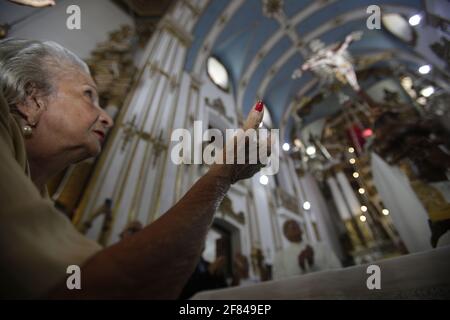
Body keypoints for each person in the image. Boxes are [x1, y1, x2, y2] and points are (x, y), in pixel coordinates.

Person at [0, 38, 270, 299]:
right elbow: (111, 290)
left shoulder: (33, 185)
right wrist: (223, 174)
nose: (106, 118)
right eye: (89, 96)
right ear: (32, 100)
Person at [272, 220, 341, 280]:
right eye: (290, 227)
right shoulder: (280, 257)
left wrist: (313, 265)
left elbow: (337, 269)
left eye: (296, 224)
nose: (293, 225)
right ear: (285, 235)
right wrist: (301, 268)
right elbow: (280, 281)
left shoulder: (321, 246)